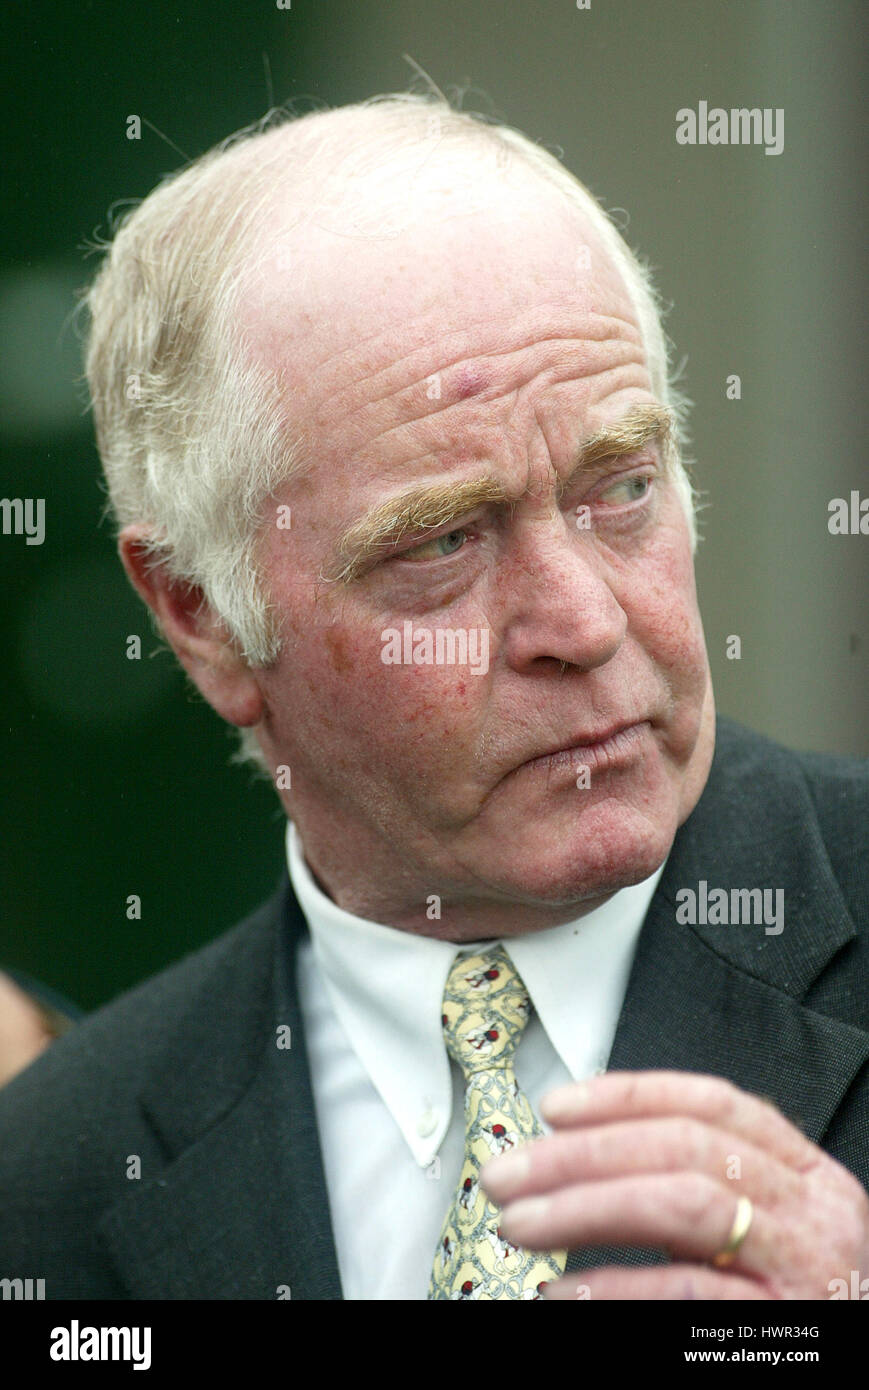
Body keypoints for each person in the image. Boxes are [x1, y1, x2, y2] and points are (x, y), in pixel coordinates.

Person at [0, 93, 866, 1302]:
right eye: (444, 540)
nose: (586, 621)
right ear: (201, 613)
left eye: (619, 487)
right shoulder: (51, 1180)